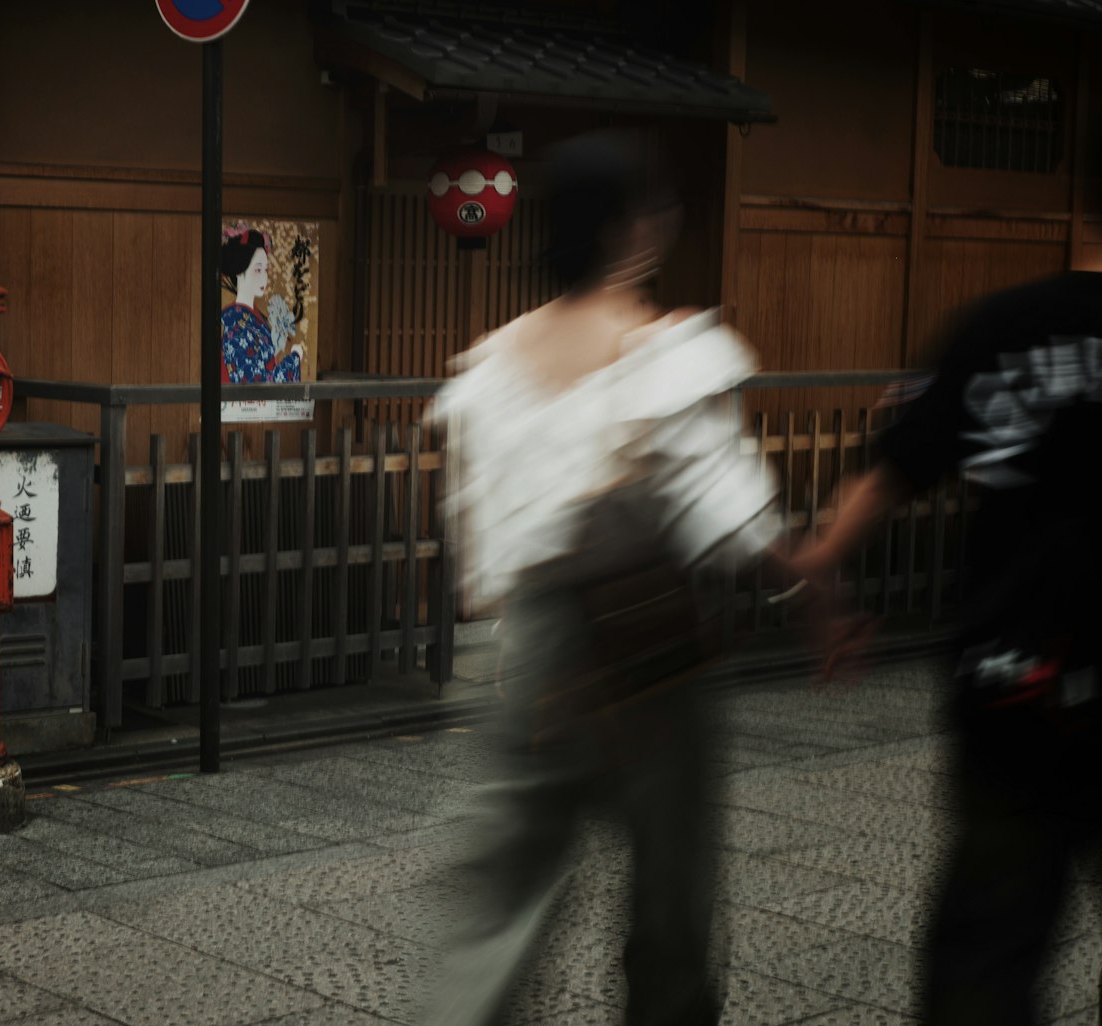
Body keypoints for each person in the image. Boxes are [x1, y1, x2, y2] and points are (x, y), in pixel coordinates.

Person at [421, 133, 806, 1026]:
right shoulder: (668, 352)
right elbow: (734, 519)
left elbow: (477, 540)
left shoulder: (489, 366)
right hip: (652, 649)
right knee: (671, 888)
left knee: (501, 898)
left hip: (525, 651)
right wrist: (815, 586)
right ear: (636, 228)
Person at [793, 271, 1102, 1026]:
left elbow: (895, 466)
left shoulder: (1010, 321)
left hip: (1015, 669)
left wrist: (823, 575)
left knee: (990, 940)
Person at [220, 225, 304, 383]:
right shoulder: (233, 320)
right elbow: (254, 381)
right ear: (239, 271)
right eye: (258, 270)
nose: (264, 278)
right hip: (245, 406)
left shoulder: (252, 315)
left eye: (266, 270)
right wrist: (294, 358)